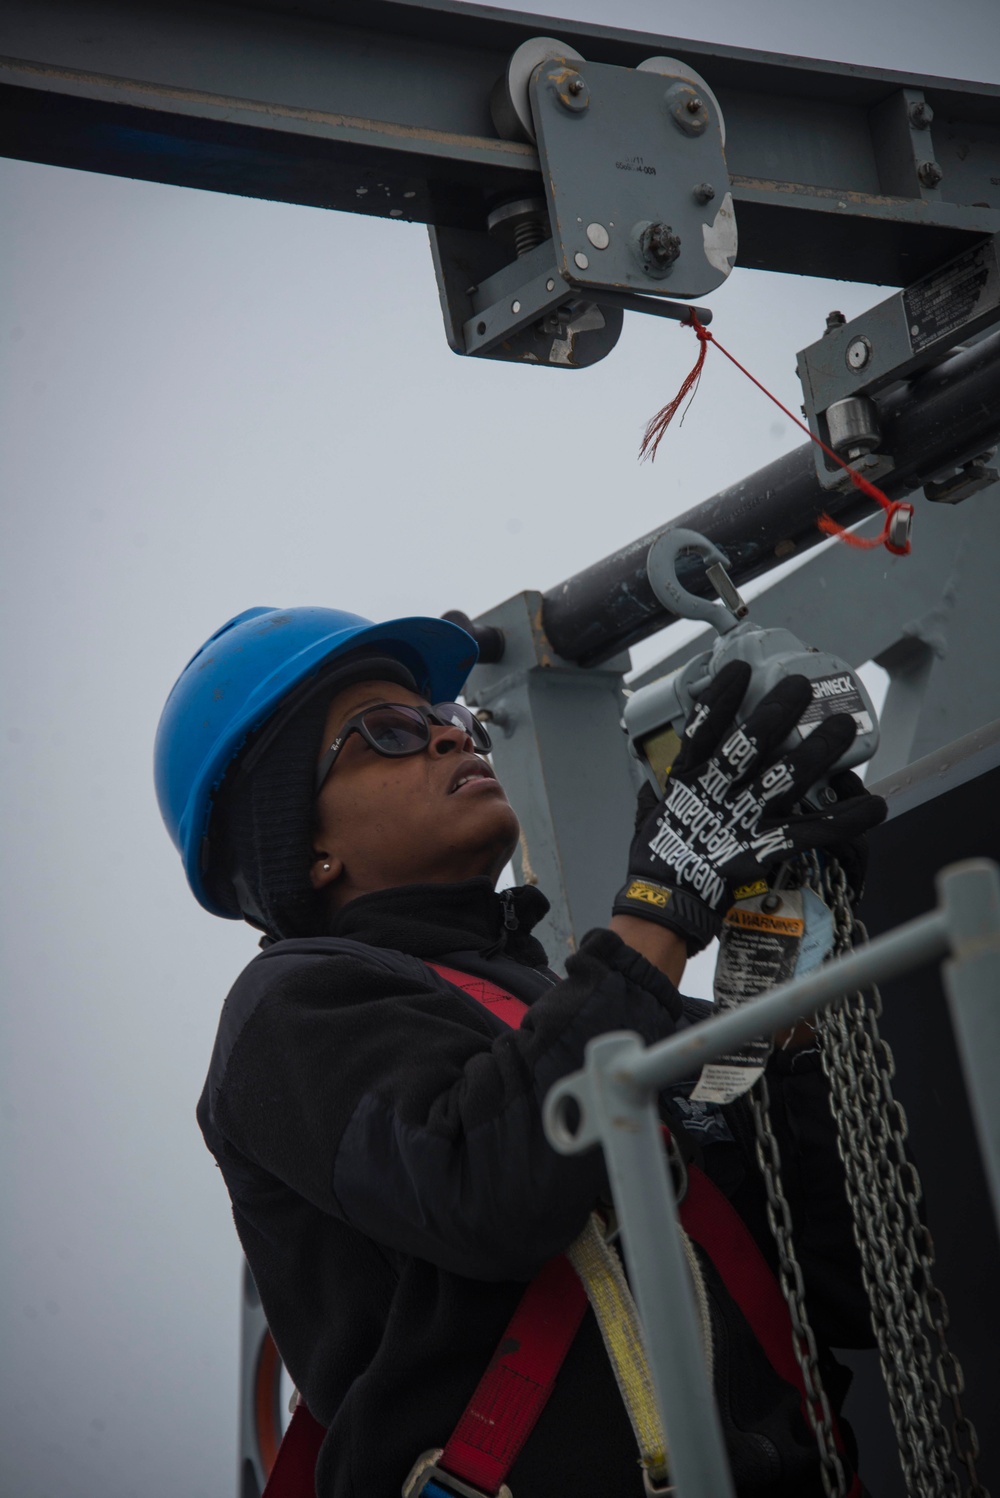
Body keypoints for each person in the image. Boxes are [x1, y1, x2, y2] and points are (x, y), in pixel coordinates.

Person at [155, 604, 886, 1498]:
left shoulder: (576, 1005)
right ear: (303, 844)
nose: (445, 739)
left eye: (450, 722)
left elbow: (852, 1285)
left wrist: (784, 939)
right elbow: (486, 1186)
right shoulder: (288, 1012)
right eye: (386, 732)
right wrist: (667, 894)